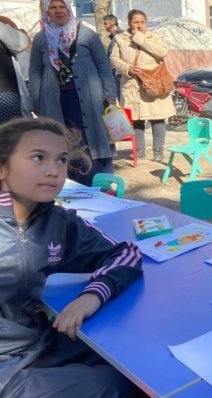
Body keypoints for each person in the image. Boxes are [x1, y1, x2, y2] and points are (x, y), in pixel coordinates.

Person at [0, 116, 142, 396]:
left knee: (135, 364)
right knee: (110, 385)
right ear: (3, 167)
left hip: (36, 343)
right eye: (38, 157)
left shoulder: (57, 222)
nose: (54, 171)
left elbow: (126, 253)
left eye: (62, 159)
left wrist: (92, 296)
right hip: (7, 367)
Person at [29, 0, 117, 185]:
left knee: (92, 138)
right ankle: (70, 184)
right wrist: (35, 101)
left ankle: (98, 182)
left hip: (89, 98)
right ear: (47, 12)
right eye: (53, 7)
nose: (58, 11)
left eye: (62, 6)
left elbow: (103, 65)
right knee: (61, 141)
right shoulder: (41, 39)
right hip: (54, 101)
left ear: (69, 9)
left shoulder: (87, 34)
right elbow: (35, 72)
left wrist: (109, 94)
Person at [110, 9, 175, 162]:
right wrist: (127, 68)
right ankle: (139, 151)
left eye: (142, 22)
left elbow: (162, 52)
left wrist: (139, 38)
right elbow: (113, 58)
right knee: (137, 119)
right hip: (132, 85)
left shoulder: (155, 37)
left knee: (157, 118)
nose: (139, 25)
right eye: (135, 22)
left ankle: (158, 151)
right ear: (129, 23)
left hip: (154, 83)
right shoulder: (120, 38)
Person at [0, 16, 31, 122]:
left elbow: (21, 42)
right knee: (13, 129)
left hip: (7, 92)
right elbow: (21, 43)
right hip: (5, 94)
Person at [103, 14, 123, 102]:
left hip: (119, 71)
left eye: (105, 23)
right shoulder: (115, 36)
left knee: (123, 99)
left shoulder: (119, 36)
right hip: (116, 71)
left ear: (112, 23)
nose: (104, 26)